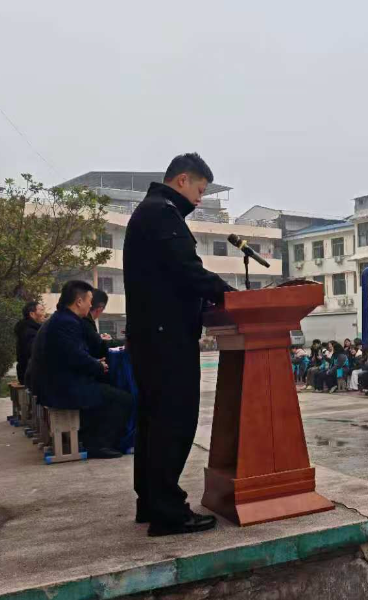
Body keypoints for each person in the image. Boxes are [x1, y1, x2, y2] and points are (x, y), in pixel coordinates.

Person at [123, 153, 235, 537]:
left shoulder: (153, 211)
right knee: (173, 420)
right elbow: (187, 271)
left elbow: (171, 276)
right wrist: (230, 295)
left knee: (154, 422)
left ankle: (151, 502)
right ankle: (168, 512)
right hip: (165, 337)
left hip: (154, 334)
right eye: (200, 190)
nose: (200, 199)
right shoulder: (161, 213)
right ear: (182, 180)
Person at [39, 280, 132, 459]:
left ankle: (91, 438)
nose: (91, 305)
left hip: (62, 382)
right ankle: (100, 444)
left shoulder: (64, 319)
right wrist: (97, 365)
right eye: (89, 300)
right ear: (79, 301)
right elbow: (75, 356)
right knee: (123, 398)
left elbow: (77, 353)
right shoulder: (67, 323)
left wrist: (94, 362)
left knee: (107, 390)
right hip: (64, 387)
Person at [14, 300, 45, 385]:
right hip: (31, 376)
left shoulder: (31, 329)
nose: (44, 313)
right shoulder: (29, 331)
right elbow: (35, 352)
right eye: (41, 310)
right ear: (32, 314)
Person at [82, 288, 111, 359]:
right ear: (100, 309)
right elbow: (99, 351)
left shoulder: (81, 320)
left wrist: (99, 338)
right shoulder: (86, 322)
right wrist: (105, 341)